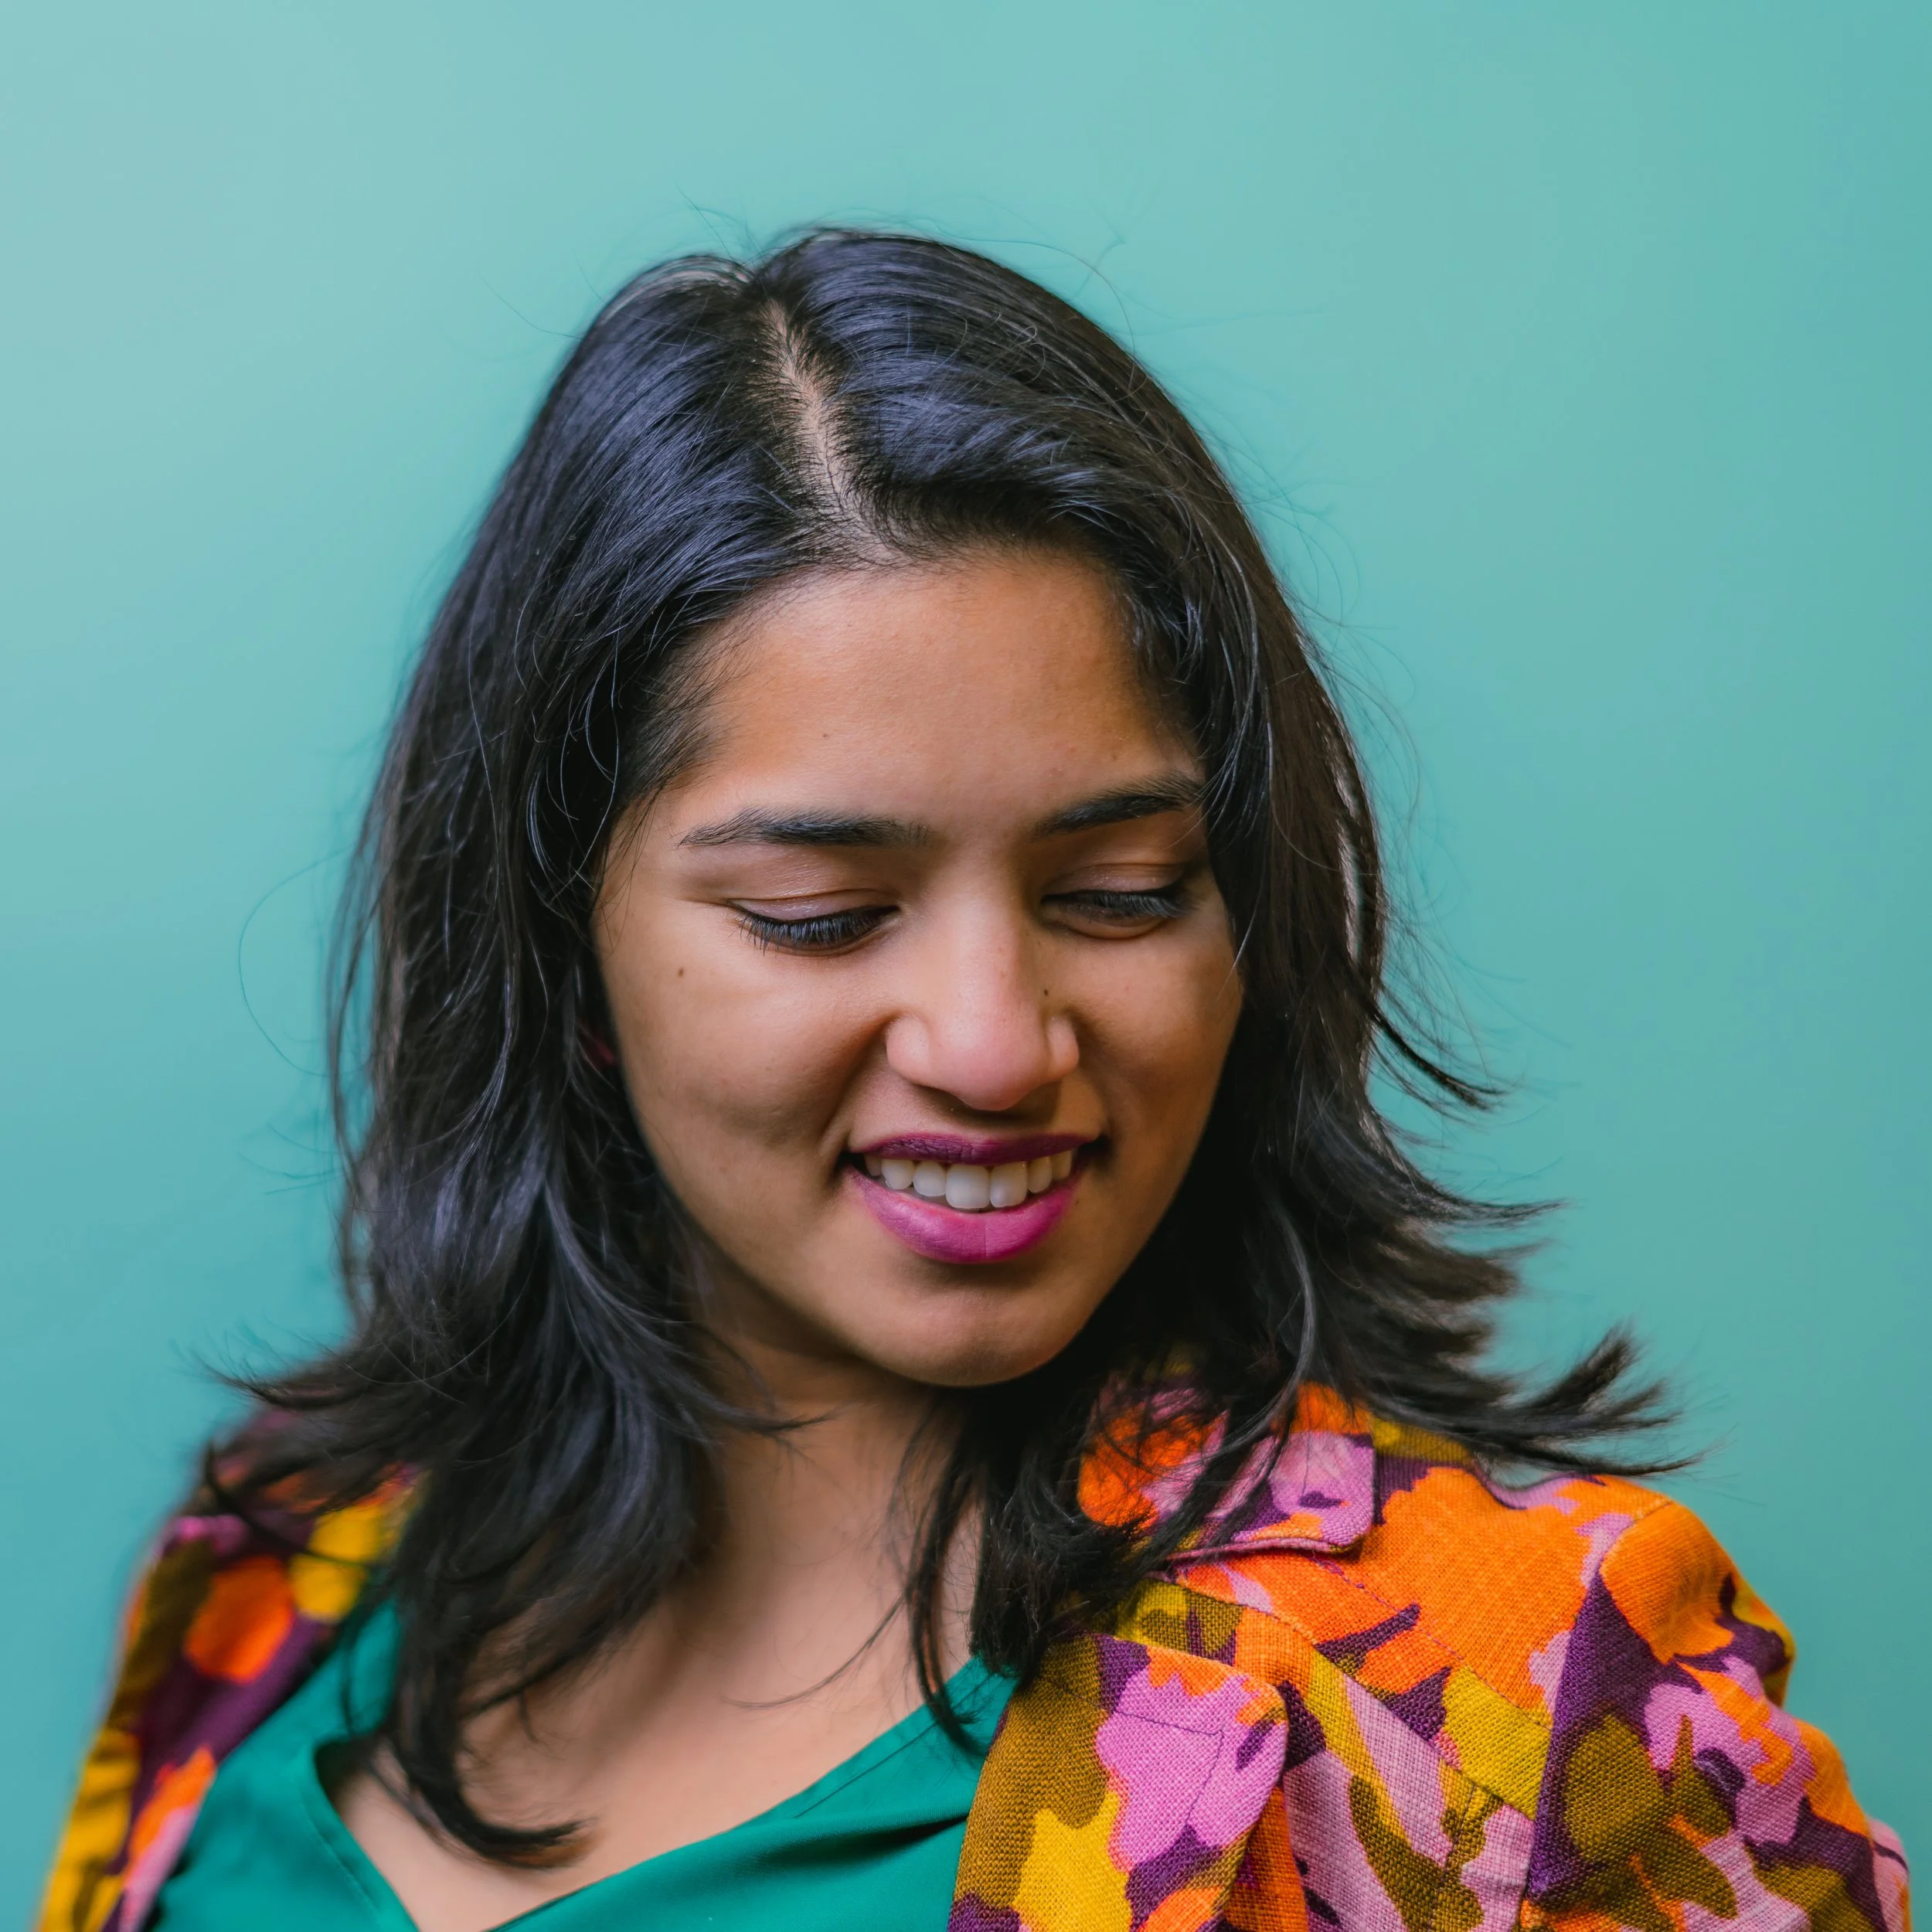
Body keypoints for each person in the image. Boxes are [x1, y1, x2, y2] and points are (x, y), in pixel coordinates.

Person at [42, 230, 1907, 1932]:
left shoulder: (1516, 1702)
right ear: (564, 950)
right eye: (820, 911)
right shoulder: (280, 1567)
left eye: (1118, 892)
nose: (996, 1040)